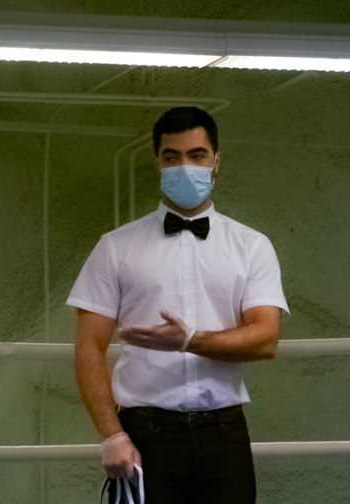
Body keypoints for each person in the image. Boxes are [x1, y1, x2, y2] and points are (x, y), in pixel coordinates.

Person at [70, 106, 288, 503]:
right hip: (144, 434)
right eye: (172, 157)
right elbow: (88, 346)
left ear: (216, 161)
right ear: (157, 163)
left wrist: (190, 340)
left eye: (197, 155)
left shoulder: (252, 246)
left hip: (224, 436)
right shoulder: (115, 247)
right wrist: (111, 435)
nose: (184, 166)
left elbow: (265, 339)